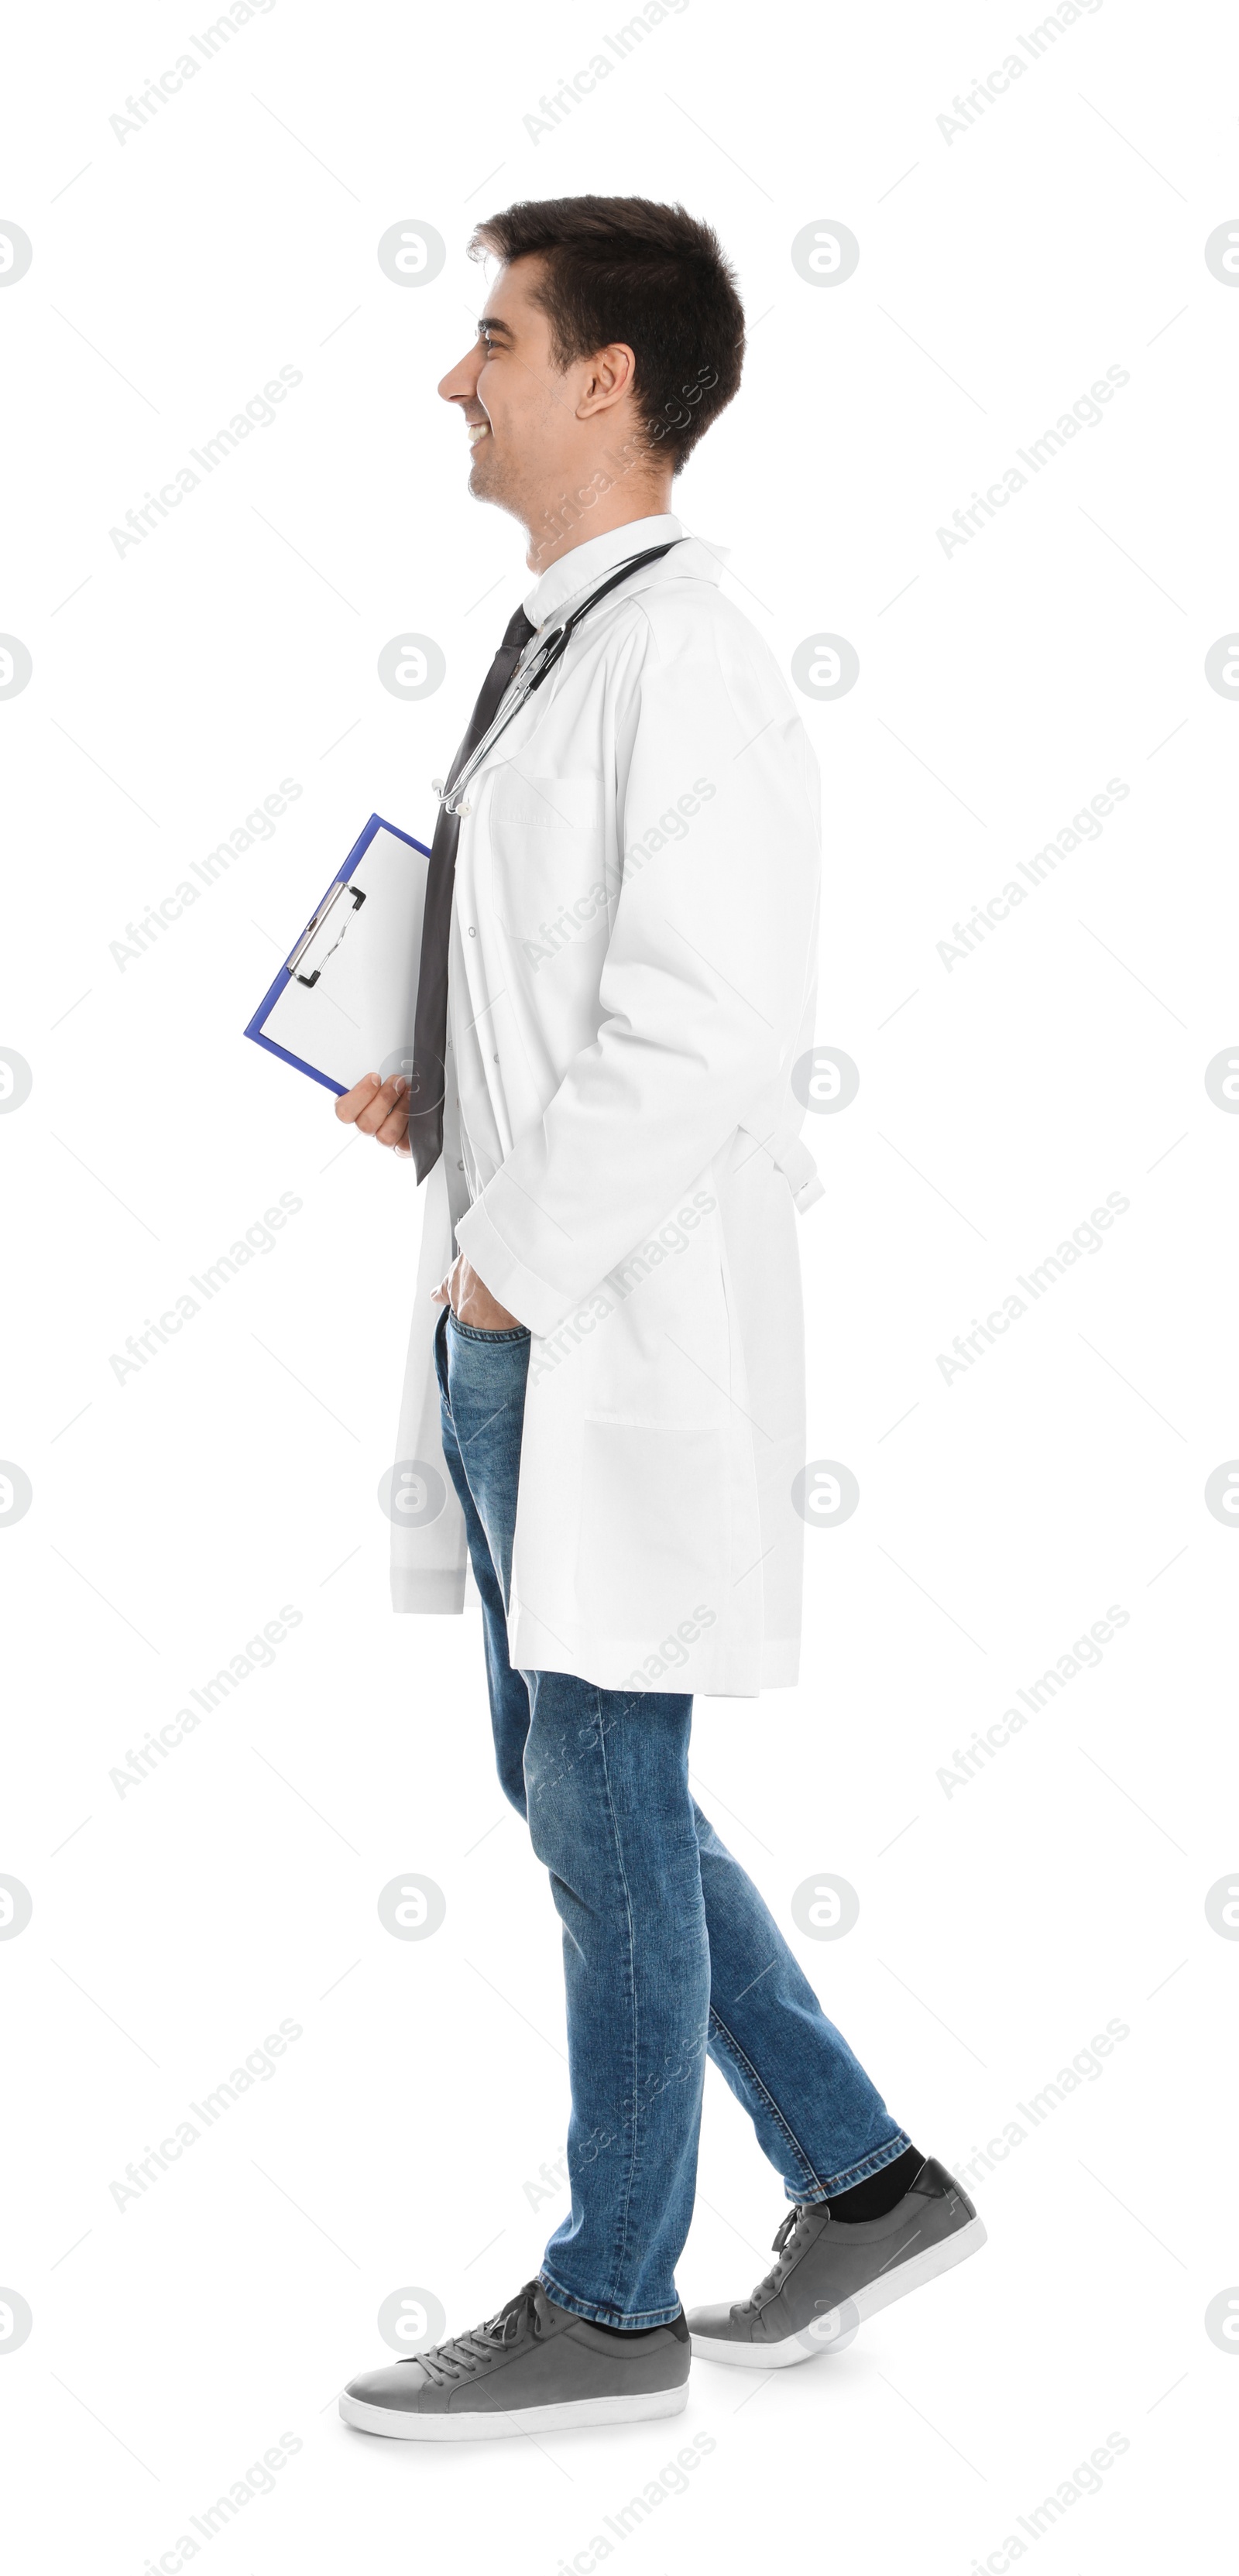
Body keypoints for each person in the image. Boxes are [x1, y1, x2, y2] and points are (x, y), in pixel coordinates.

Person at [334, 195, 984, 2443]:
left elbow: (709, 1025)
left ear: (607, 379)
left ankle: (611, 2306)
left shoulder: (690, 654)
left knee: (601, 1774)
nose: (459, 377)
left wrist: (512, 1256)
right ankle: (867, 2178)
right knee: (570, 1766)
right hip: (521, 1300)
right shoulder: (562, 640)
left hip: (587, 1317)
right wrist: (449, 1080)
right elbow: (580, 971)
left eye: (493, 334)